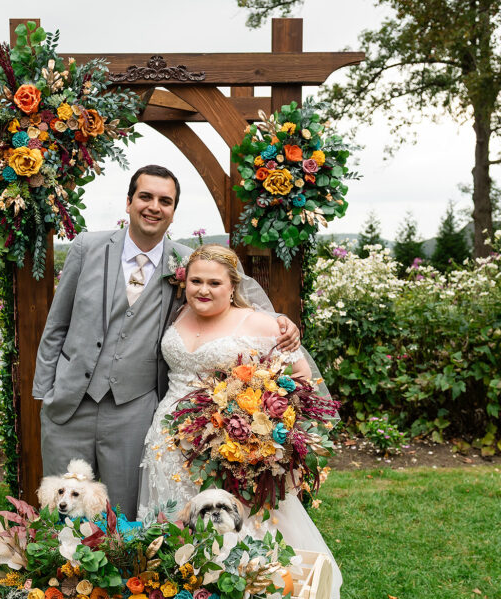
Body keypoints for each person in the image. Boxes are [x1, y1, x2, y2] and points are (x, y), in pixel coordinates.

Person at [137, 244, 371, 599]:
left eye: (214, 282)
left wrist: (260, 424)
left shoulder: (262, 324)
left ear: (233, 286)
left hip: (224, 449)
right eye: (196, 280)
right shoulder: (178, 313)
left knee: (235, 534)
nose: (203, 289)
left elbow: (303, 382)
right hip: (166, 444)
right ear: (184, 282)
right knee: (174, 529)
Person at [33, 165, 300, 519]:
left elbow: (224, 301)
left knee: (123, 515)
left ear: (173, 211)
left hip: (133, 410)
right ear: (128, 202)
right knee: (61, 511)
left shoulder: (186, 263)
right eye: (145, 197)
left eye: (165, 201)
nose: (154, 207)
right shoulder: (87, 247)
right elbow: (57, 324)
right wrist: (47, 392)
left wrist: (280, 322)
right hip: (69, 402)